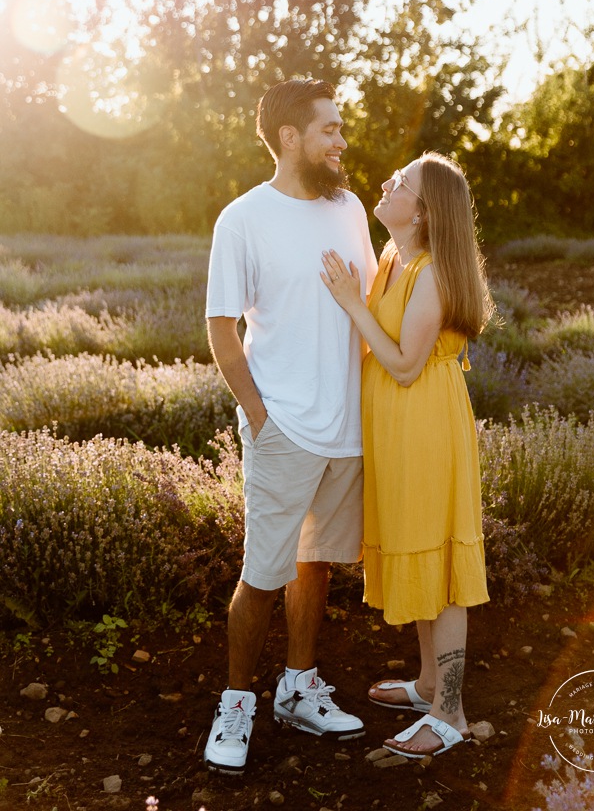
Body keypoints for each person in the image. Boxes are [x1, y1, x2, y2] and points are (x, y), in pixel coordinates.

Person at [204, 78, 377, 774]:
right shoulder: (242, 219)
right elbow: (220, 324)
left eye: (340, 129)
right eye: (330, 129)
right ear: (289, 138)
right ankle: (236, 704)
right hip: (282, 429)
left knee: (317, 564)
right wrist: (258, 415)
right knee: (263, 574)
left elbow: (366, 303)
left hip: (345, 428)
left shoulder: (350, 209)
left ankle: (299, 689)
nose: (342, 141)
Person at [320, 151, 493, 759]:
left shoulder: (435, 272)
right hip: (395, 428)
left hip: (425, 426)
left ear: (423, 212)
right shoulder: (394, 257)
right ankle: (425, 685)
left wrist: (351, 302)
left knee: (439, 560)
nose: (386, 183)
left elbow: (403, 364)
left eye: (401, 183)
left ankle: (449, 712)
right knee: (419, 547)